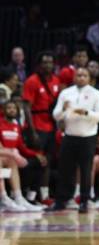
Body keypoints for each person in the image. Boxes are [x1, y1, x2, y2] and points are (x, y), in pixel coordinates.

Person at [51, 67, 99, 213]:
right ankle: (62, 200)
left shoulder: (96, 94)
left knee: (86, 169)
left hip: (88, 137)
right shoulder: (66, 93)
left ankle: (84, 200)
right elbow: (56, 115)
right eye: (78, 75)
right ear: (74, 77)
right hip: (69, 136)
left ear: (89, 78)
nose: (81, 77)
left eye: (84, 75)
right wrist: (63, 110)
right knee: (65, 169)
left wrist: (87, 113)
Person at [22, 51, 61, 205]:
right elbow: (26, 108)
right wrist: (31, 132)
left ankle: (44, 196)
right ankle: (30, 196)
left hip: (51, 126)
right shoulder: (32, 81)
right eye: (44, 62)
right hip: (37, 126)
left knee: (48, 161)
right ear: (39, 65)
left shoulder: (57, 81)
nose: (47, 65)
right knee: (37, 161)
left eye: (50, 62)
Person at [0, 101, 44, 211]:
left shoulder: (16, 126)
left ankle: (19, 197)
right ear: (3, 110)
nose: (11, 110)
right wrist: (14, 154)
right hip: (4, 155)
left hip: (10, 157)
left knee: (14, 161)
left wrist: (36, 154)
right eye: (9, 108)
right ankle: (3, 197)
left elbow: (21, 146)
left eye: (14, 108)